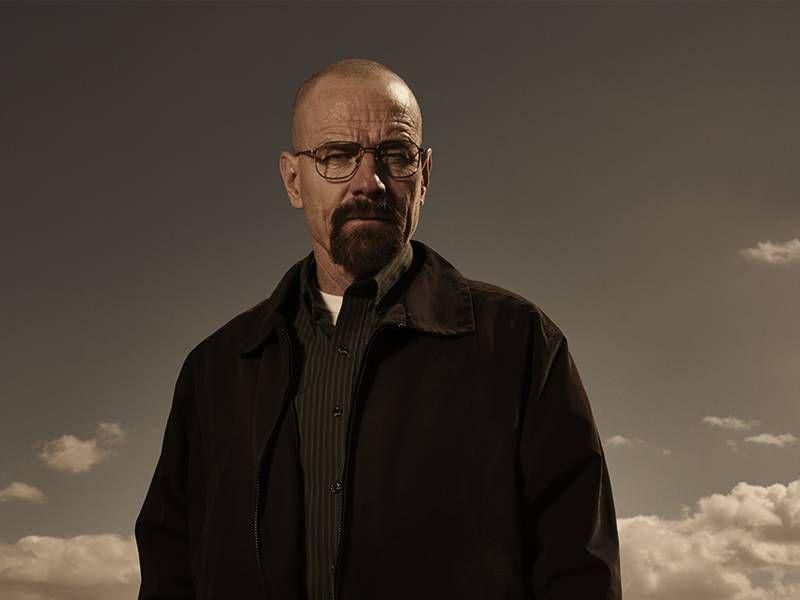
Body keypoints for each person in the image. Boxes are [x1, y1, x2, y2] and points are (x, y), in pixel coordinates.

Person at [135, 57, 621, 600]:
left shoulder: (521, 344)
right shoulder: (215, 370)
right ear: (294, 180)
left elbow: (581, 574)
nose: (370, 182)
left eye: (396, 155)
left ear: (424, 175)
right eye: (337, 156)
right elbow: (170, 569)